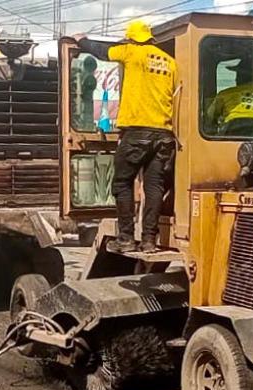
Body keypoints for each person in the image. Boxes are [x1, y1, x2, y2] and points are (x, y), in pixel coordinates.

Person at [75, 20, 178, 253]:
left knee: (122, 182)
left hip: (137, 132)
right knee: (154, 187)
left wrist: (81, 40)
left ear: (131, 38)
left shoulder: (131, 51)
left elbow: (102, 52)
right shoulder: (170, 63)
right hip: (164, 133)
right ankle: (150, 240)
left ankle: (126, 238)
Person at [206, 57, 253, 136]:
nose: (236, 78)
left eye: (237, 74)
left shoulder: (225, 94)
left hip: (228, 143)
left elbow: (209, 119)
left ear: (240, 76)